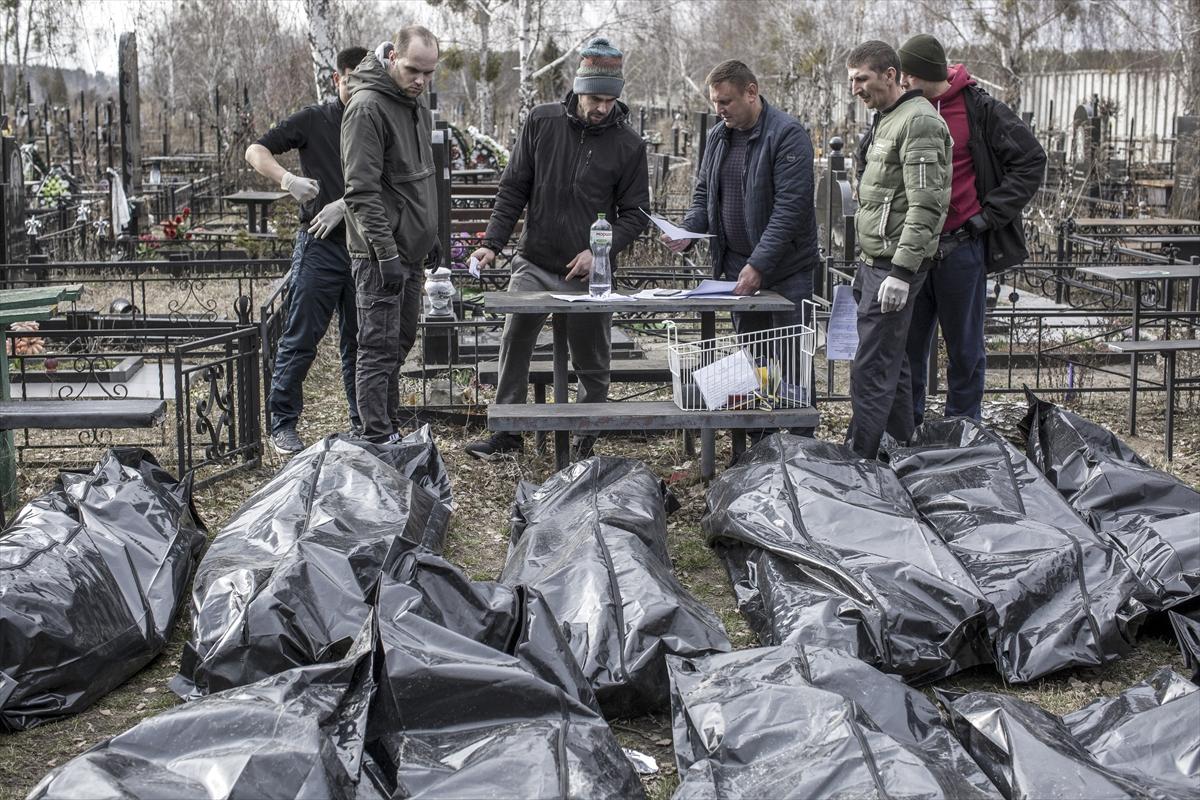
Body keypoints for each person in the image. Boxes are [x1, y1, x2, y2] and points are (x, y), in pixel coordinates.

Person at [463, 37, 650, 462]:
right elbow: (514, 187)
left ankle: (586, 434)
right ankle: (508, 433)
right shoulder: (542, 122)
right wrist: (492, 243)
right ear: (578, 88)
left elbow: (636, 214)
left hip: (591, 272)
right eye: (595, 97)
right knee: (515, 336)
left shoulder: (628, 144)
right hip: (536, 258)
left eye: (610, 99)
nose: (602, 107)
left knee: (593, 358)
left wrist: (598, 253)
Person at [663, 59, 819, 435]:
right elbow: (705, 196)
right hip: (736, 271)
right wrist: (687, 231)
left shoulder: (786, 135)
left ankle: (800, 448)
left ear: (752, 92)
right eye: (715, 102)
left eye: (726, 101)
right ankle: (758, 444)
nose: (719, 109)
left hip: (786, 271)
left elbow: (789, 209)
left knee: (791, 362)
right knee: (753, 361)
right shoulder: (718, 136)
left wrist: (760, 265)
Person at [897, 34, 1047, 425]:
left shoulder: (980, 109)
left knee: (965, 350)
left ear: (923, 75)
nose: (901, 85)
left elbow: (1031, 159)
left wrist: (989, 215)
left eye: (907, 76)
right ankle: (907, 430)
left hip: (961, 246)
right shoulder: (902, 110)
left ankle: (962, 429)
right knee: (908, 348)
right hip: (912, 249)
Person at [246, 45, 367, 455]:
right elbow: (256, 150)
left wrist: (347, 207)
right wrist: (287, 180)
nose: (358, 86)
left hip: (365, 246)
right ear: (339, 79)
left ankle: (364, 423)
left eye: (366, 79)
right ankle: (282, 424)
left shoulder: (378, 121)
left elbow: (393, 183)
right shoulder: (315, 120)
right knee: (300, 337)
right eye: (352, 79)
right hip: (320, 245)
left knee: (360, 341)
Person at [845, 40, 952, 459]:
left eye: (862, 79)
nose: (855, 89)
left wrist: (902, 272)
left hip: (893, 266)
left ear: (890, 75)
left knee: (871, 368)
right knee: (896, 364)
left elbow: (926, 204)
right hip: (877, 262)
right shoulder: (889, 117)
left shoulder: (918, 122)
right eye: (852, 80)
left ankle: (861, 460)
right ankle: (901, 451)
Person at [341, 28, 440, 444]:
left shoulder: (415, 104)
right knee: (377, 349)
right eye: (413, 69)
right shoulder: (367, 108)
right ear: (393, 56)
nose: (421, 80)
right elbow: (361, 192)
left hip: (411, 252)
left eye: (429, 73)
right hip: (379, 255)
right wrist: (386, 254)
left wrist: (429, 233)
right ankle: (375, 437)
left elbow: (417, 180)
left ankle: (390, 427)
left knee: (398, 346)